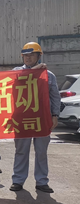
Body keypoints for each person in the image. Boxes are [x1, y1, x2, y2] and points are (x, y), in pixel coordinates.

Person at [11, 42, 61, 193]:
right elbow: (13, 81)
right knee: (21, 150)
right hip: (22, 118)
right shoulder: (16, 71)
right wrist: (34, 70)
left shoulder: (48, 75)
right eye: (25, 55)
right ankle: (18, 180)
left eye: (31, 55)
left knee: (41, 152)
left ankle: (41, 181)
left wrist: (55, 115)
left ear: (39, 56)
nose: (28, 58)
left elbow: (55, 97)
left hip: (42, 119)